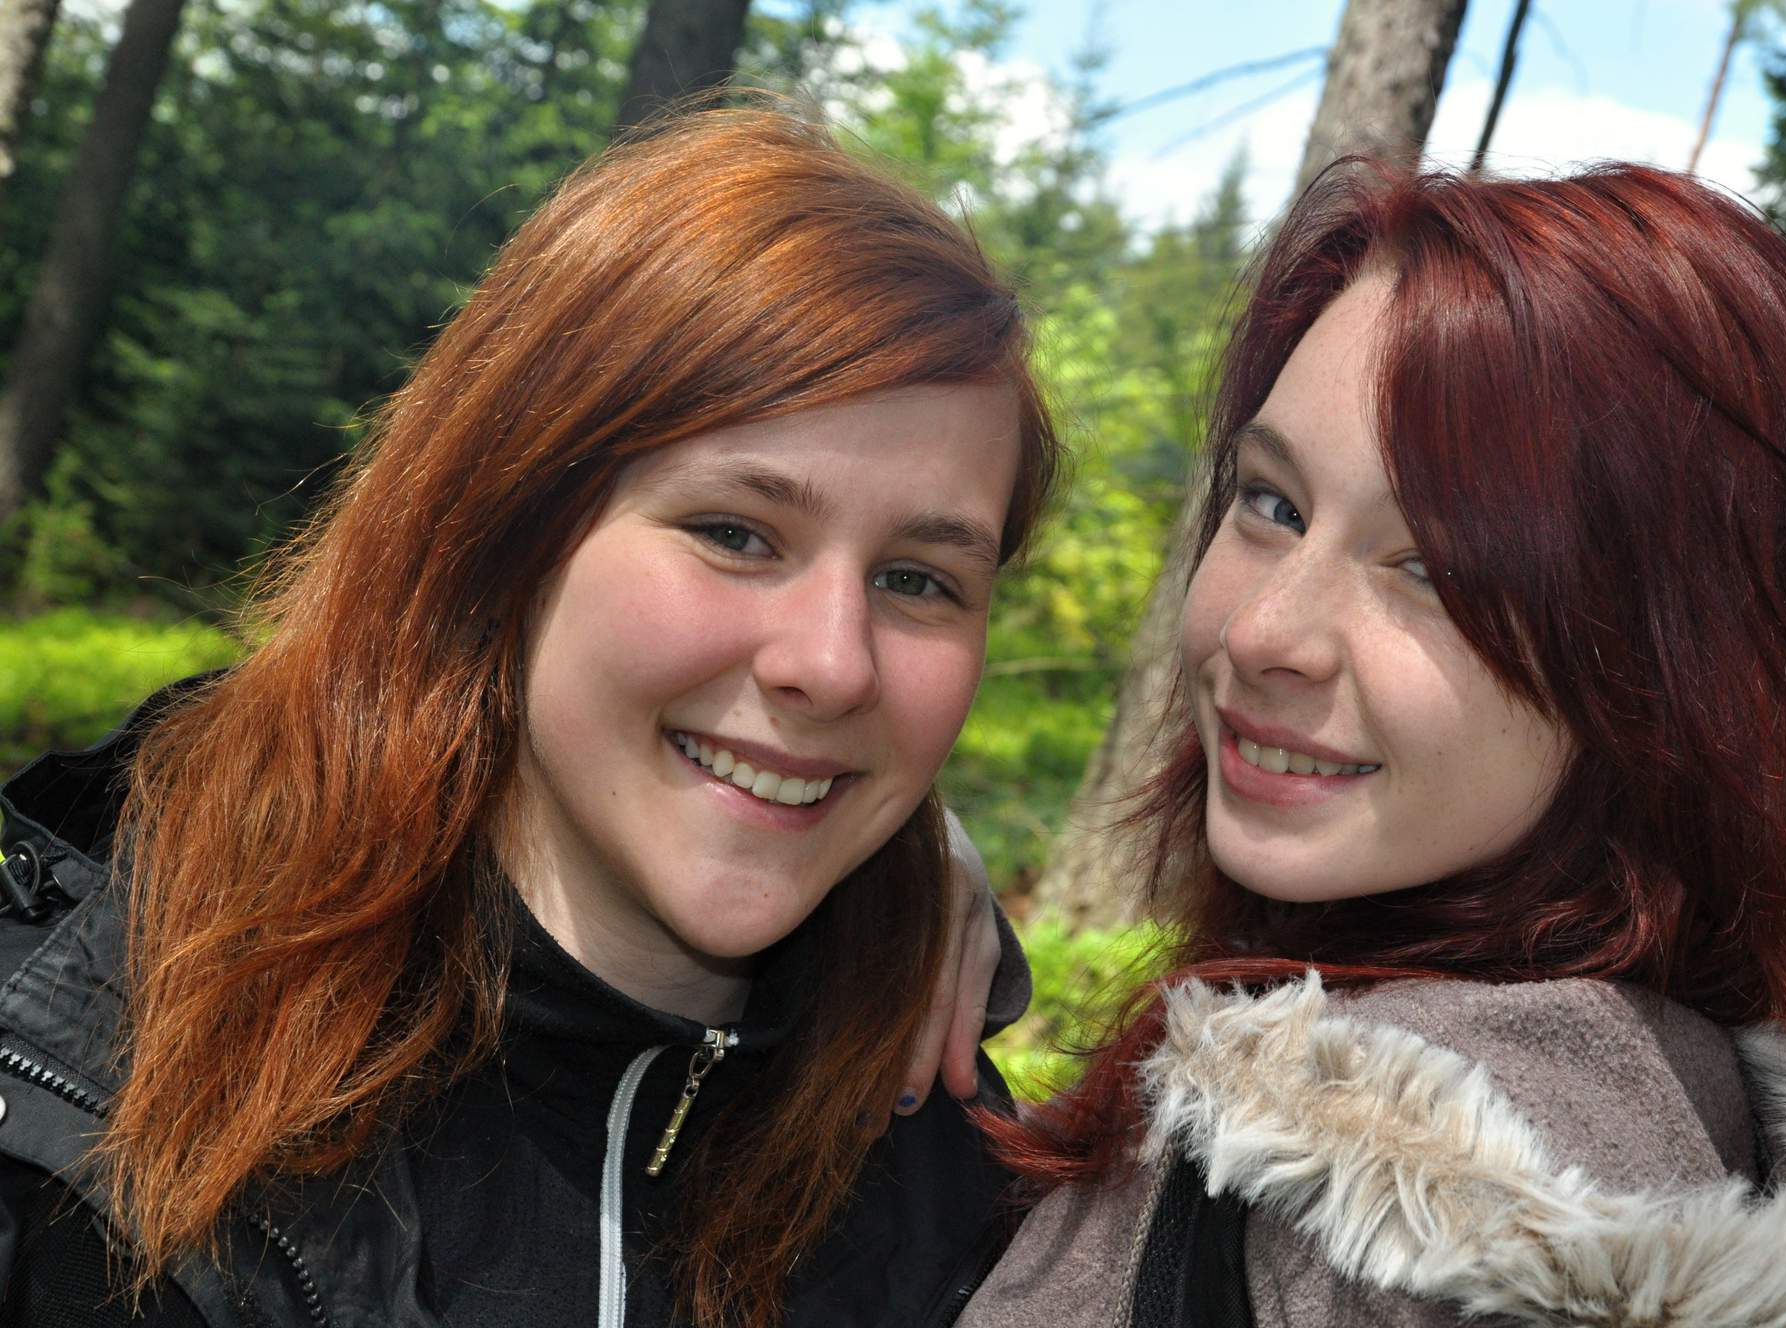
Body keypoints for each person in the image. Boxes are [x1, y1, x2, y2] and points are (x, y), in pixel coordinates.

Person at [0, 107, 1062, 1328]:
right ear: (507, 522)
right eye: (734, 532)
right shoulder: (71, 1087)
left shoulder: (973, 1197)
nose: (830, 664)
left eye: (917, 579)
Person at [962, 162, 1786, 1327]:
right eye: (1272, 503)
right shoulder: (1695, 1073)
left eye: (1429, 569)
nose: (1261, 632)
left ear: (1672, 674)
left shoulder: (1406, 1218)